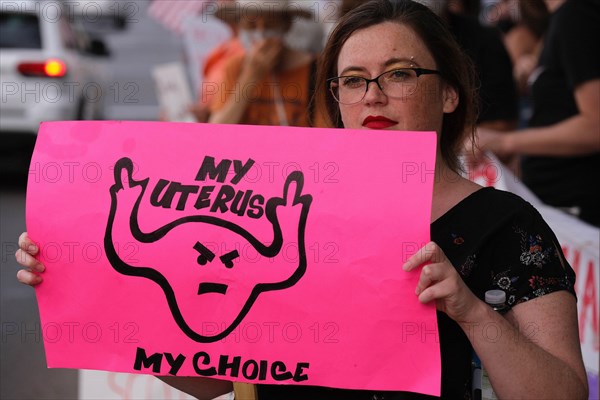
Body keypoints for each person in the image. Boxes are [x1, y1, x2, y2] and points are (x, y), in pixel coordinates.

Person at [15, 1, 588, 399]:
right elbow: (213, 378)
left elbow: (562, 392)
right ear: (336, 98)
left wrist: (469, 312)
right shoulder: (291, 217)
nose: (374, 94)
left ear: (448, 94)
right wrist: (89, 287)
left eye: (399, 73)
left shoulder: (505, 225)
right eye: (354, 80)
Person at [474, 0, 600, 227]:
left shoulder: (575, 15)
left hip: (575, 210)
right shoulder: (563, 18)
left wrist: (506, 141)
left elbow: (595, 126)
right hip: (560, 204)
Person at [206, 0, 317, 127]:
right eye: (251, 25)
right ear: (240, 27)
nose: (260, 33)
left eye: (270, 25)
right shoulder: (235, 67)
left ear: (286, 25)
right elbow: (216, 130)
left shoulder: (316, 69)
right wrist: (250, 77)